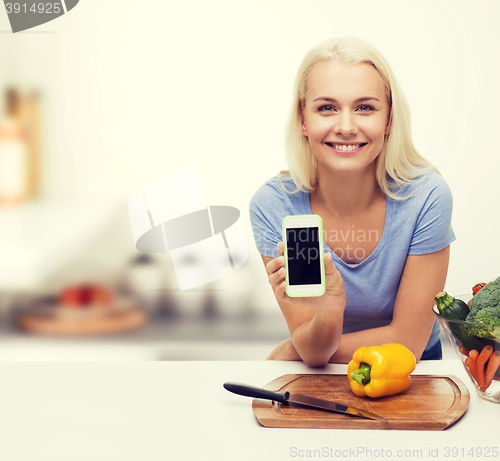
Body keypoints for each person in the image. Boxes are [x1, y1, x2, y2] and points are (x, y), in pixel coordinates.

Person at [249, 37, 455, 366]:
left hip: (413, 373)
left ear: (389, 120)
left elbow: (407, 344)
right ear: (303, 119)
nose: (346, 127)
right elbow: (313, 348)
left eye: (365, 108)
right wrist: (330, 309)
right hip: (320, 374)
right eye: (327, 108)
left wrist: (295, 350)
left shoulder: (426, 196)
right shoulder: (274, 205)